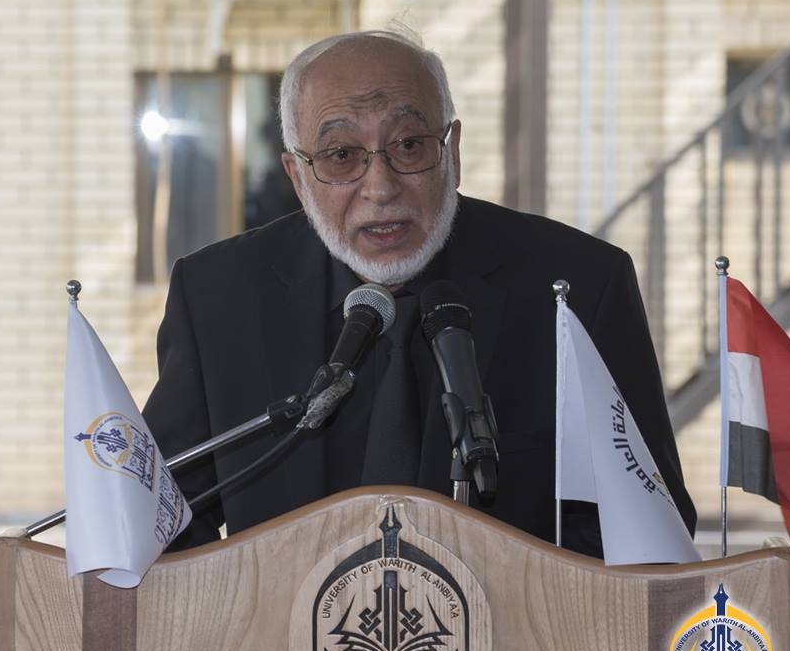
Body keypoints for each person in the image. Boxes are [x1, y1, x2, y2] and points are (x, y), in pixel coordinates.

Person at [140, 28, 697, 558]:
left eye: (409, 145)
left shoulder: (578, 289)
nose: (381, 188)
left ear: (452, 151)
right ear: (297, 176)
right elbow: (159, 521)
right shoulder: (219, 298)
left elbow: (647, 532)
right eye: (341, 155)